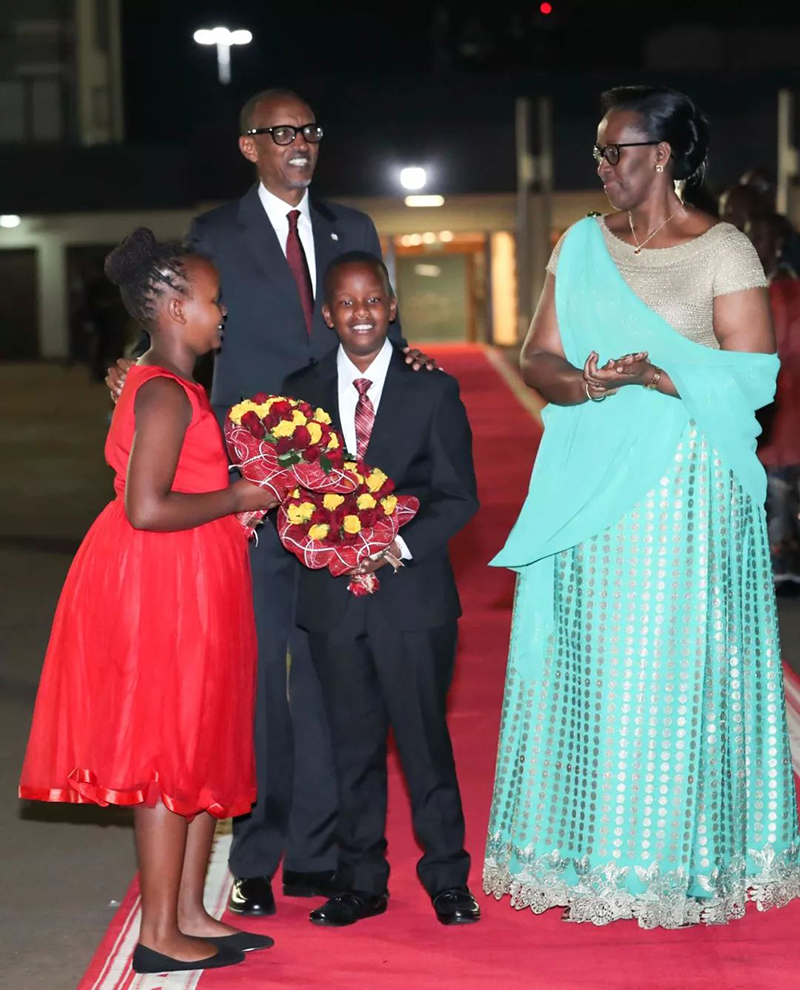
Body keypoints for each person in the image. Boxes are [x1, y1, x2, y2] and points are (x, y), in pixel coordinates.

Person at [106, 89, 435, 918]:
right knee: (255, 676)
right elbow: (176, 314)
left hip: (337, 491)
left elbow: (378, 330)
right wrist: (130, 366)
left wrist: (411, 366)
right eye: (281, 132)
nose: (299, 143)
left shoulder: (353, 227)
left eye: (309, 130)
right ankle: (256, 854)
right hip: (246, 492)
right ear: (248, 145)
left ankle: (317, 855)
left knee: (330, 671)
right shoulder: (216, 232)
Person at [484, 86, 800, 928]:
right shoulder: (580, 243)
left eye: (614, 150)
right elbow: (538, 356)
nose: (601, 165)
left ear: (661, 155)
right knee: (595, 669)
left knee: (678, 670)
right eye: (598, 151)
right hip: (592, 486)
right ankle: (592, 855)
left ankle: (681, 858)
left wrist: (663, 375)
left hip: (686, 492)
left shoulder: (722, 249)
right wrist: (586, 383)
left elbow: (755, 375)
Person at [19, 229, 277, 973]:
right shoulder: (163, 391)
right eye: (213, 299)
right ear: (171, 307)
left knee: (196, 745)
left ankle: (188, 911)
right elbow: (147, 507)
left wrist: (231, 507)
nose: (222, 312)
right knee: (168, 751)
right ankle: (160, 933)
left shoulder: (168, 382)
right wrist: (238, 496)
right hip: (164, 582)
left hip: (190, 573)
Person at [283, 252, 481, 927]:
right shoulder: (299, 392)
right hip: (332, 601)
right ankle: (360, 880)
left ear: (392, 308)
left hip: (412, 597)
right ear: (328, 315)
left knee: (424, 741)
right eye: (346, 302)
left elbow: (459, 496)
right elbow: (287, 489)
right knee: (351, 745)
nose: (360, 312)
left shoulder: (432, 390)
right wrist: (326, 541)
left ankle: (447, 877)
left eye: (372, 300)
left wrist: (394, 544)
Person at [748, 212, 800, 587]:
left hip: (781, 413)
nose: (753, 245)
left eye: (759, 237)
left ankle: (781, 559)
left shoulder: (777, 295)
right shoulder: (781, 290)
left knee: (779, 485)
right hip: (782, 413)